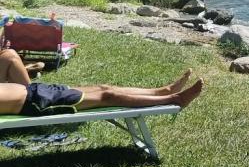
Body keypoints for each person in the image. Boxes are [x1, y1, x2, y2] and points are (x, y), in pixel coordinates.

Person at [0, 49, 203, 116]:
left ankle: (163, 91)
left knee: (104, 87)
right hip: (36, 103)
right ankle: (174, 99)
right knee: (108, 97)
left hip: (37, 90)